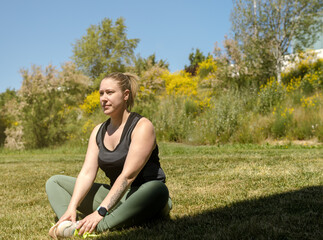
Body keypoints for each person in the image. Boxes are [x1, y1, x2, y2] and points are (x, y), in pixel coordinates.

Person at [46, 72, 172, 239]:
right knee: (54, 182)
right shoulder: (99, 131)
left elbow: (128, 177)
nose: (103, 98)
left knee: (157, 189)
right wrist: (71, 207)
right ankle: (69, 222)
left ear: (126, 95)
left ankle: (95, 227)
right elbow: (86, 173)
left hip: (143, 197)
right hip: (115, 198)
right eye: (101, 93)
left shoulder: (142, 126)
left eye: (110, 92)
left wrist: (101, 211)